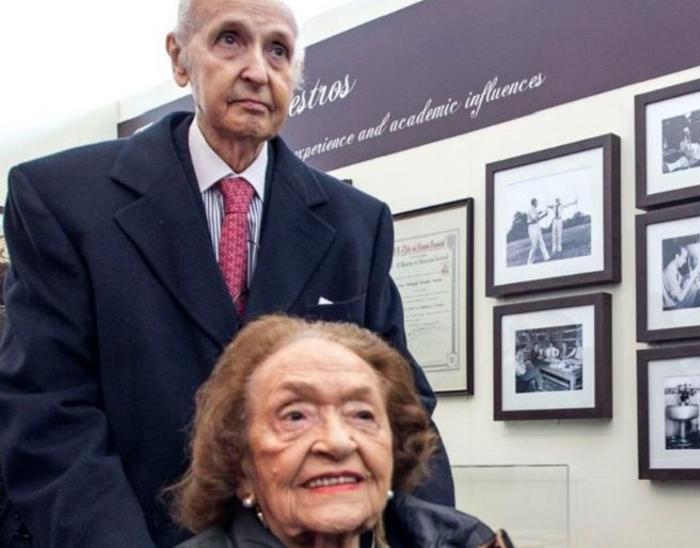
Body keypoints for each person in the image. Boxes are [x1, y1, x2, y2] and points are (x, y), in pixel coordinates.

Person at [0, 1, 453, 546]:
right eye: (230, 40)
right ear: (180, 58)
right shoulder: (65, 201)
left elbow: (403, 411)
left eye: (278, 50)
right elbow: (49, 416)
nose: (257, 71)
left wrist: (430, 536)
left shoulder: (356, 223)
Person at [170, 316, 506, 548]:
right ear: (240, 466)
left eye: (361, 415)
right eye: (296, 416)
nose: (337, 441)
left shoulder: (464, 540)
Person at [662, 243, 700, 309]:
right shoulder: (669, 272)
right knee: (694, 288)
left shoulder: (673, 267)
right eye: (684, 258)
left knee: (694, 287)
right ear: (677, 256)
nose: (685, 261)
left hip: (676, 303)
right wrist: (691, 278)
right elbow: (680, 298)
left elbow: (681, 280)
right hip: (673, 307)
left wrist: (694, 272)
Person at [523, 198, 551, 264]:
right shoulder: (531, 209)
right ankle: (529, 262)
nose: (537, 204)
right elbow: (534, 219)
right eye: (536, 203)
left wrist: (544, 214)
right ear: (534, 203)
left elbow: (537, 218)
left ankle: (547, 257)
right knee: (534, 246)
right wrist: (544, 214)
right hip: (532, 227)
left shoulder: (534, 209)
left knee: (541, 242)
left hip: (536, 226)